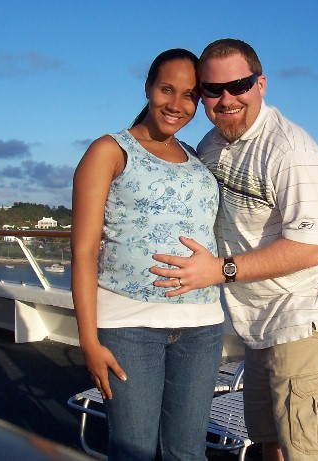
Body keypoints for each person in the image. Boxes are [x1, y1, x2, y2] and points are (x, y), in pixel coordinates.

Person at [150, 39, 318, 461]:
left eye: (239, 85)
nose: (227, 98)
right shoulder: (212, 145)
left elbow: (310, 248)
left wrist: (220, 271)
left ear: (260, 84)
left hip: (310, 320)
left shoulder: (291, 152)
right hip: (261, 324)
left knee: (308, 453)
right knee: (271, 442)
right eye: (213, 90)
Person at [70, 48, 224, 461]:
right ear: (148, 88)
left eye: (190, 95)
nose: (176, 104)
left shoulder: (196, 156)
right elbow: (83, 252)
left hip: (201, 325)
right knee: (133, 451)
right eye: (166, 89)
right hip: (129, 326)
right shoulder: (110, 150)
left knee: (188, 454)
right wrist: (88, 341)